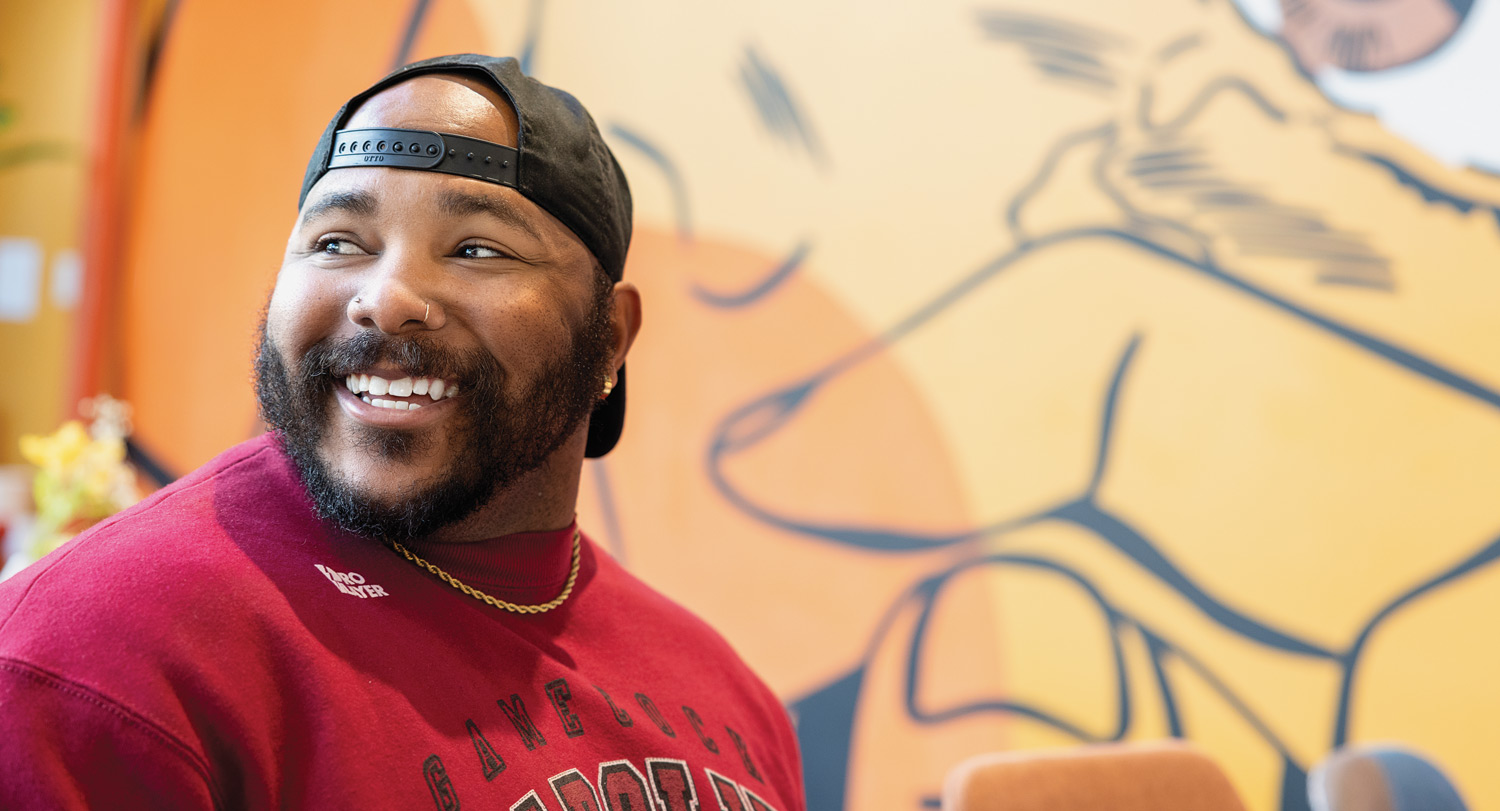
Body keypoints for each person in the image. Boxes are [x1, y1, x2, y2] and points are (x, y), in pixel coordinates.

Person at [0, 54, 805, 811]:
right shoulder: (100, 660)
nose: (386, 299)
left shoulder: (730, 695)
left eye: (478, 248)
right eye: (337, 242)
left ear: (612, 338)